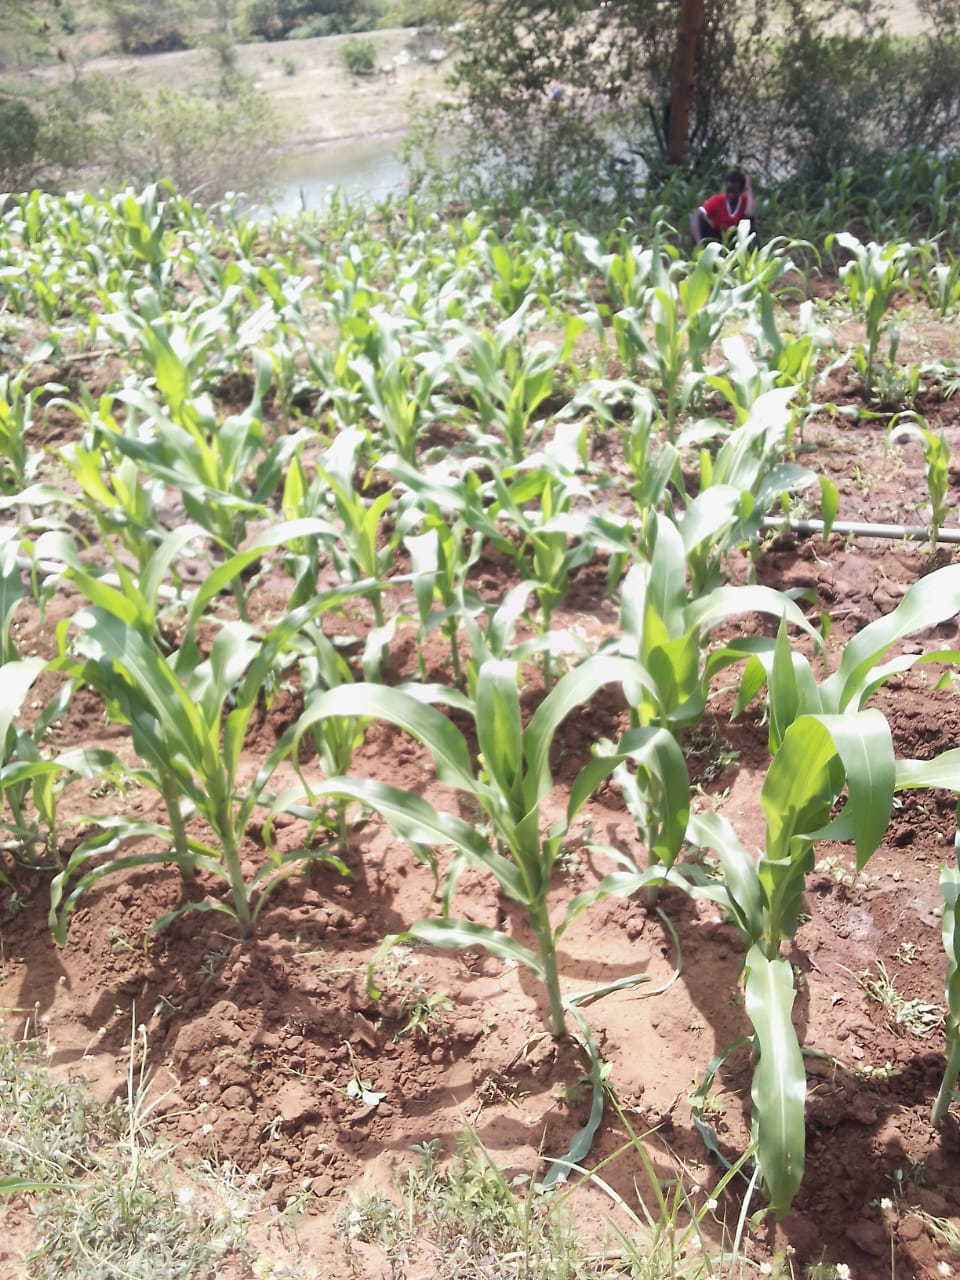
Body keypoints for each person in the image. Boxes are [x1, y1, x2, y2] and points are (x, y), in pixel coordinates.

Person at [690, 169, 758, 245]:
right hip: (716, 238)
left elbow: (751, 214)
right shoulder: (717, 200)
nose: (730, 195)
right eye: (728, 191)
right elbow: (696, 214)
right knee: (696, 218)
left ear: (741, 191)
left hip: (736, 240)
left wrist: (748, 188)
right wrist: (699, 242)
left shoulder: (746, 201)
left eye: (734, 192)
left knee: (751, 227)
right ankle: (699, 249)